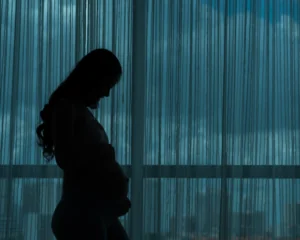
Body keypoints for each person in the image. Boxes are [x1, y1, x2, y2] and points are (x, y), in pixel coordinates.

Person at [36, 49, 131, 239]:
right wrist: (103, 156)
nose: (106, 94)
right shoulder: (66, 108)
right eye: (107, 85)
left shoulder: (81, 111)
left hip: (94, 211)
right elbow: (66, 158)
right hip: (80, 214)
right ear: (92, 79)